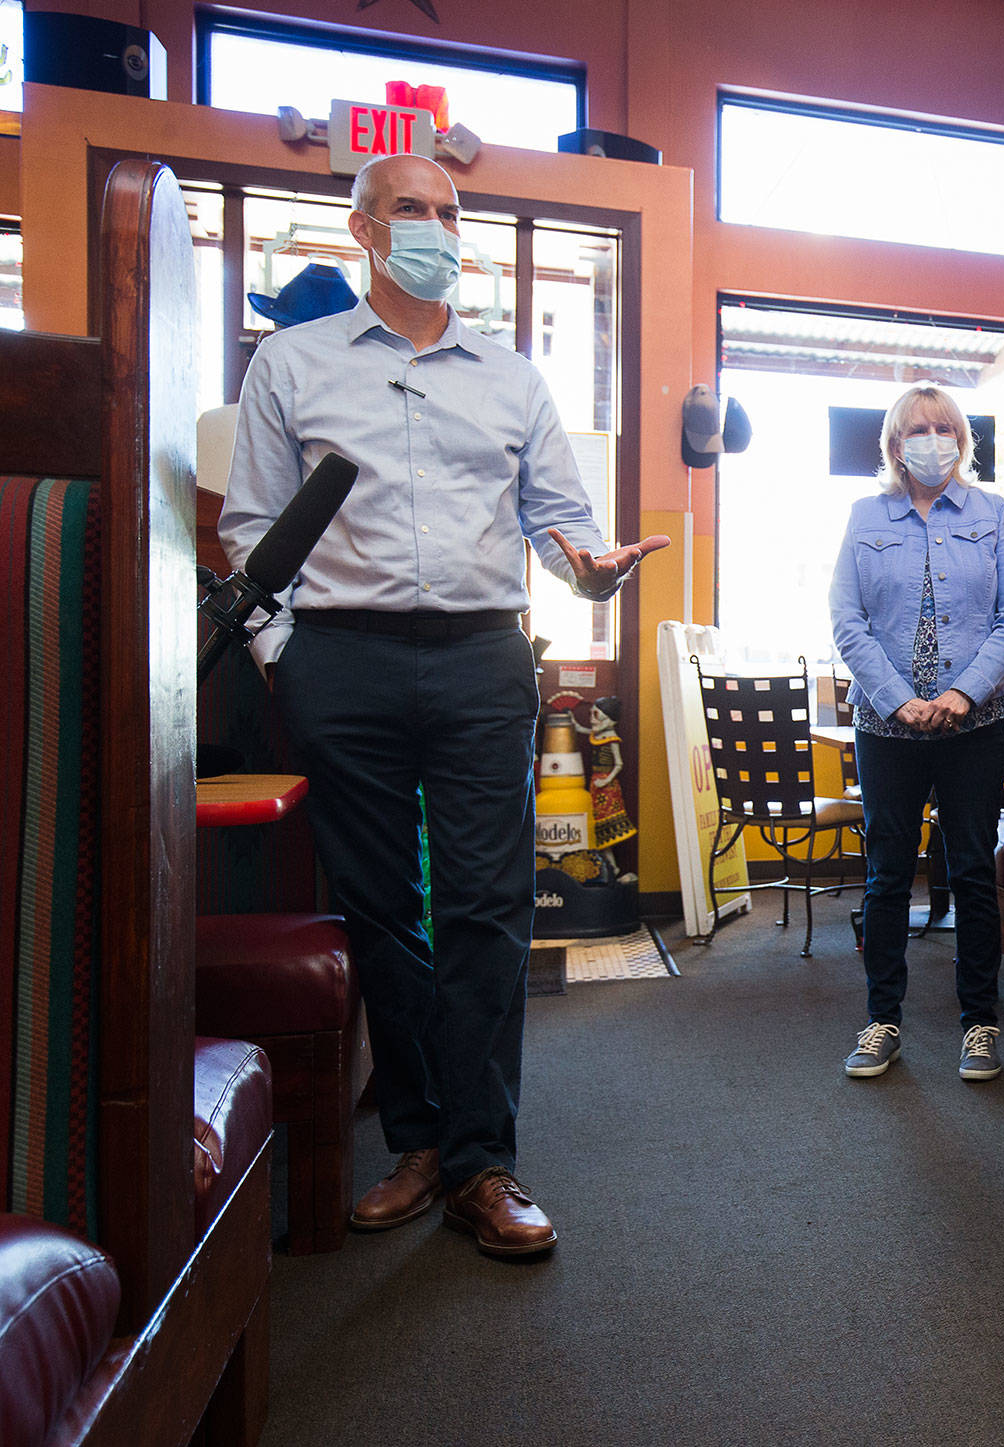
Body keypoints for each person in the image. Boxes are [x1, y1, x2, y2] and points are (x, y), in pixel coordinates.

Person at [221, 153, 669, 1259]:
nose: (435, 227)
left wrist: (591, 572)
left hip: (478, 656)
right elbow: (252, 528)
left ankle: (482, 1161)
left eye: (450, 212)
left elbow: (560, 524)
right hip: (342, 658)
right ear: (364, 232)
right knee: (380, 906)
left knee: (486, 906)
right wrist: (286, 656)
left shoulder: (511, 376)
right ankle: (416, 1141)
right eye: (411, 210)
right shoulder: (290, 362)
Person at [828, 385, 1004, 1082]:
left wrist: (958, 692)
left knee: (972, 870)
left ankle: (979, 1024)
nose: (932, 439)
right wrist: (898, 698)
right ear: (892, 444)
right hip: (886, 727)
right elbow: (847, 622)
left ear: (963, 441)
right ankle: (883, 1020)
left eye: (945, 428)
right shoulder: (864, 515)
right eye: (918, 429)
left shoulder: (992, 513)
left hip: (976, 724)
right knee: (886, 874)